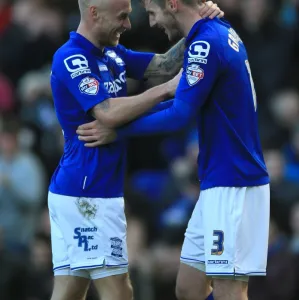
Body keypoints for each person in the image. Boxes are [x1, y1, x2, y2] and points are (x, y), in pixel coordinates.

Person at [77, 1, 270, 300]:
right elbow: (181, 100)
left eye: (152, 12)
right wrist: (121, 127)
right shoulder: (209, 34)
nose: (152, 22)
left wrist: (119, 130)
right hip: (217, 181)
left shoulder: (206, 42)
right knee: (189, 289)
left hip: (235, 183)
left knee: (229, 290)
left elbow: (180, 114)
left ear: (172, 4)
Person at [49, 0, 223, 299]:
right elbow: (107, 112)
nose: (128, 25)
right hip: (88, 193)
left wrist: (202, 25)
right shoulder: (72, 58)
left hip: (87, 190)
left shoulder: (112, 53)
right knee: (120, 292)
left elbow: (165, 65)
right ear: (94, 13)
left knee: (70, 290)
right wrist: (167, 89)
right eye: (122, 17)